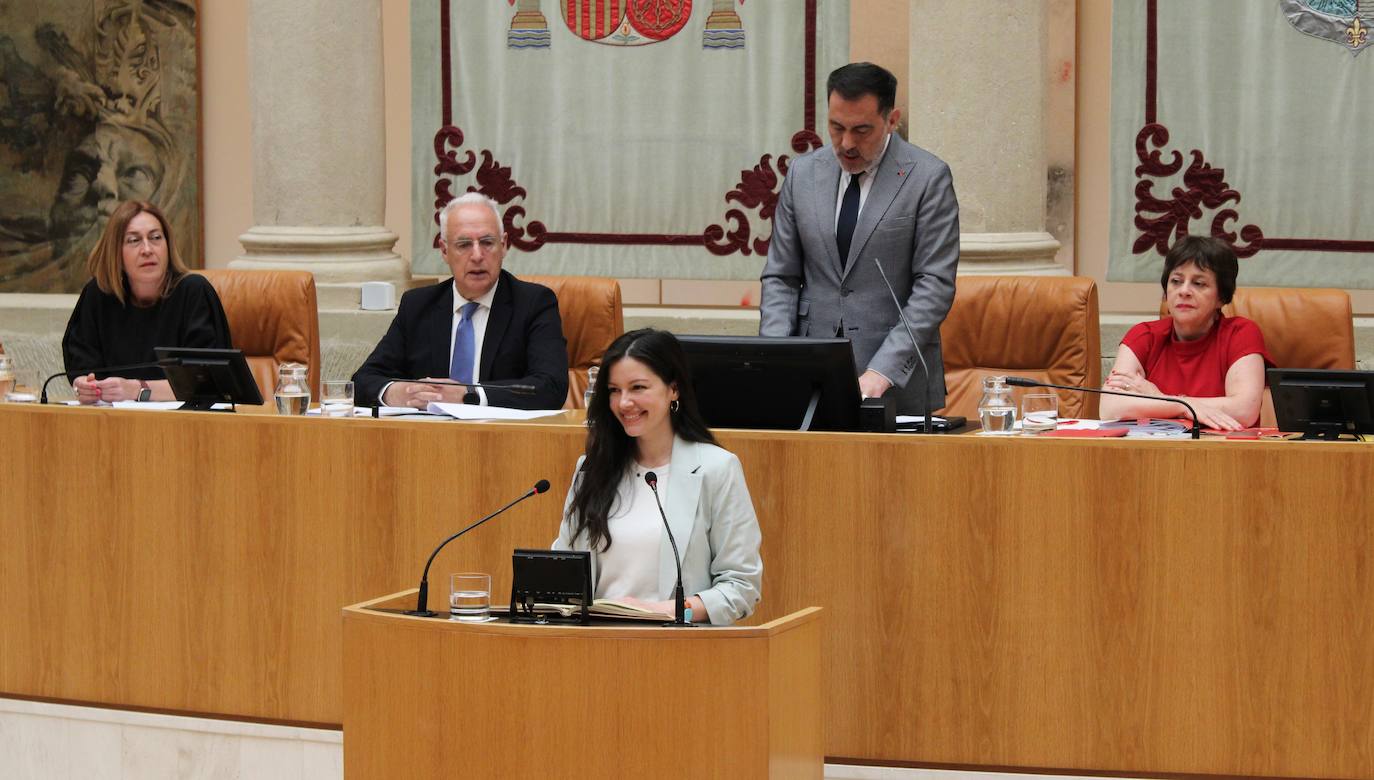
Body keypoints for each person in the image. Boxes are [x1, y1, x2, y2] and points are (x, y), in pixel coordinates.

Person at [759, 62, 960, 416]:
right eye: (837, 128)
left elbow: (934, 286)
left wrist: (881, 371)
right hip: (809, 379)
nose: (847, 144)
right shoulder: (803, 175)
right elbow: (781, 277)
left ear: (892, 119)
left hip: (895, 382)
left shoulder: (928, 178)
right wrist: (777, 358)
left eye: (862, 130)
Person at [553, 329, 762, 625]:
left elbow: (741, 587)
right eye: (614, 390)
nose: (624, 403)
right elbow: (564, 572)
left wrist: (663, 611)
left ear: (673, 389)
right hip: (595, 647)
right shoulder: (591, 468)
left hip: (676, 650)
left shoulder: (716, 469)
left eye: (638, 387)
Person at [352, 192, 568, 410]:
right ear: (445, 250)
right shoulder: (418, 305)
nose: (476, 255)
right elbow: (362, 381)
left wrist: (468, 395)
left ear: (503, 246)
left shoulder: (534, 304)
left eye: (487, 242)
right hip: (427, 439)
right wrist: (396, 393)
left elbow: (550, 387)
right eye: (464, 244)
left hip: (500, 438)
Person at [61, 200, 231, 403]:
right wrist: (85, 386)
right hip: (112, 423)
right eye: (134, 240)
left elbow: (209, 383)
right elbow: (82, 370)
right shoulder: (98, 295)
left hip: (185, 425)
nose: (147, 249)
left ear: (167, 245)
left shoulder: (194, 292)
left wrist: (136, 389)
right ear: (116, 252)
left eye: (156, 238)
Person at [1101, 235, 1273, 430]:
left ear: (1221, 297)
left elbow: (1243, 411)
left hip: (1224, 454)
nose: (1184, 291)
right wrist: (1183, 406)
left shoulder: (1240, 334)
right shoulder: (1143, 336)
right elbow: (1110, 408)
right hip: (1155, 455)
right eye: (1176, 281)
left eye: (1198, 283)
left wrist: (1158, 399)